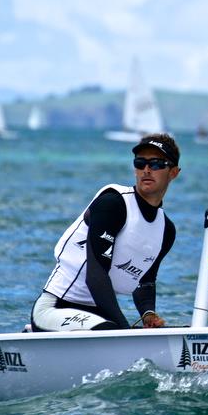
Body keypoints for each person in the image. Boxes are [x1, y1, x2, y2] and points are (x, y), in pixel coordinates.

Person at [31, 133, 180, 332]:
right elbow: (95, 276)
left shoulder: (166, 230)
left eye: (156, 164)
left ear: (173, 173)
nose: (146, 170)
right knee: (111, 329)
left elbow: (145, 280)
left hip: (98, 316)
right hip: (54, 309)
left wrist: (148, 314)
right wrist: (125, 330)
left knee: (120, 329)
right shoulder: (113, 204)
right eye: (140, 162)